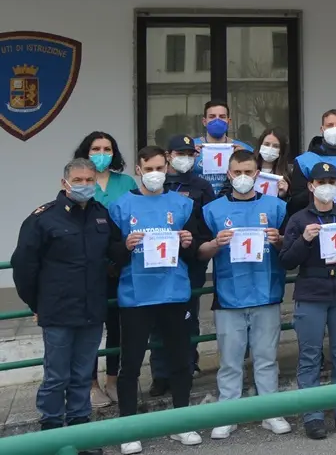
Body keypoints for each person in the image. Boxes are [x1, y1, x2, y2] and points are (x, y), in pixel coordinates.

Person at [12, 158, 123, 452]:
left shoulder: (101, 215)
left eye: (90, 180)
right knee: (56, 376)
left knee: (82, 374)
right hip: (57, 311)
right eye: (79, 180)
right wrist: (36, 304)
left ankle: (78, 431)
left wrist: (129, 246)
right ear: (65, 183)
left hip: (91, 310)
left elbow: (114, 253)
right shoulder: (43, 219)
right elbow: (23, 266)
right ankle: (50, 433)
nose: (85, 185)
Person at [107, 146, 204, 453]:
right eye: (149, 168)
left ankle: (181, 422)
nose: (155, 174)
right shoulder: (120, 206)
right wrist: (124, 245)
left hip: (173, 292)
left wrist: (188, 242)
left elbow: (194, 248)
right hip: (135, 295)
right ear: (139, 169)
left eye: (161, 168)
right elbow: (109, 253)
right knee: (131, 364)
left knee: (180, 359)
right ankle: (128, 429)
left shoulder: (182, 204)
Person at [196, 150, 292, 439]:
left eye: (248, 172)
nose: (242, 178)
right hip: (229, 295)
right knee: (230, 360)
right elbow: (199, 252)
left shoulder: (276, 207)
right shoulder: (212, 210)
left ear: (257, 174)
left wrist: (279, 240)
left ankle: (270, 411)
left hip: (266, 291)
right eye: (237, 173)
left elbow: (290, 247)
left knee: (266, 357)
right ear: (228, 174)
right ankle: (229, 413)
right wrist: (215, 243)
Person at [279, 162, 336, 439]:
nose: (327, 186)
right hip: (312, 292)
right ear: (311, 186)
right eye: (322, 181)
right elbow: (287, 261)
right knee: (310, 356)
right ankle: (313, 415)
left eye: (332, 180)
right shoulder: (299, 219)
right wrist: (304, 239)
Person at [73, 131, 137, 408]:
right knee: (89, 329)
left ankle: (113, 380)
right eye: (96, 148)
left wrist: (116, 261)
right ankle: (91, 385)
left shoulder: (127, 183)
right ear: (86, 152)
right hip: (88, 271)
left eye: (107, 148)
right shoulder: (80, 184)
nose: (102, 153)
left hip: (120, 266)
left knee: (117, 327)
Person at [148, 135, 216, 398]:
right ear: (168, 155)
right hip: (158, 261)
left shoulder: (201, 186)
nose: (185, 157)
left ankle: (187, 366)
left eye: (190, 153)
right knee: (157, 320)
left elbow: (209, 220)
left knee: (188, 317)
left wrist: (201, 247)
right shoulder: (156, 183)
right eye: (180, 152)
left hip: (190, 260)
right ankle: (160, 374)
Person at [191, 100, 254, 196]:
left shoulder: (245, 149)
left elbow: (257, 177)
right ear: (204, 121)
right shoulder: (190, 147)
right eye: (212, 117)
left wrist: (245, 158)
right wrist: (188, 158)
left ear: (228, 121)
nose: (217, 120)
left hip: (231, 204)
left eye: (222, 117)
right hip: (198, 203)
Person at [254, 128, 292, 199]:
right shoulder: (248, 169)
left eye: (276, 146)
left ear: (281, 150)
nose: (270, 148)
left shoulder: (288, 174)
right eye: (266, 144)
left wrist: (283, 195)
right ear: (260, 145)